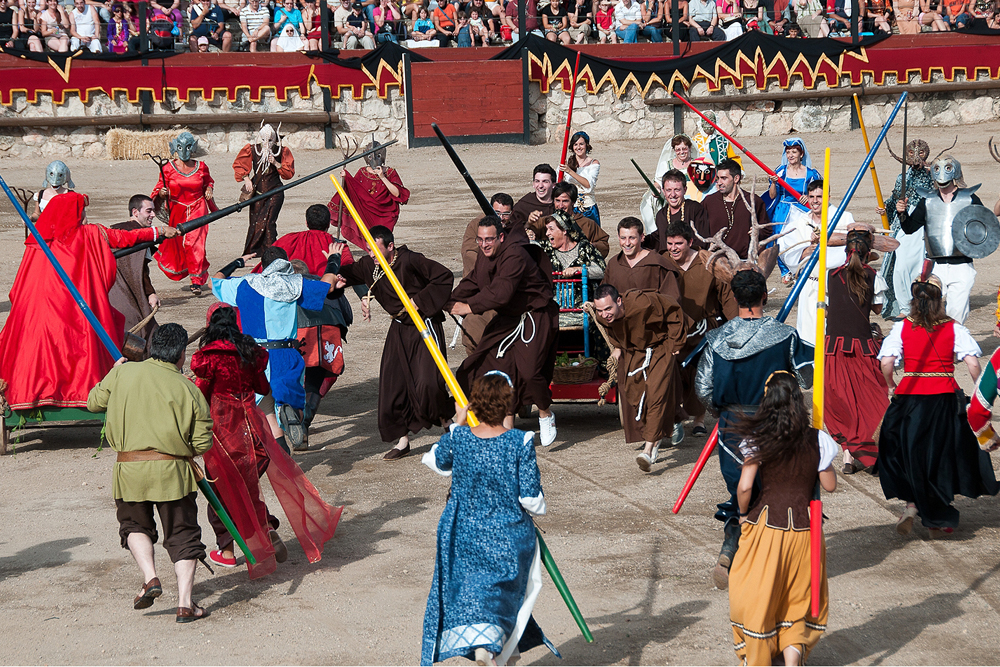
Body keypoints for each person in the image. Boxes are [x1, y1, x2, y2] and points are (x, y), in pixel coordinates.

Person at [420, 372, 560, 666]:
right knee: (505, 593)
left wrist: (458, 421)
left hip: (464, 533)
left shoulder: (459, 438)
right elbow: (531, 500)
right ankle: (497, 648)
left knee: (476, 593)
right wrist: (537, 508)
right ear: (507, 405)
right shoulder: (520, 441)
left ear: (475, 404)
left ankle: (496, 649)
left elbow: (434, 460)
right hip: (508, 533)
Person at [191, 305, 341, 569]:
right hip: (253, 432)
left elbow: (198, 395)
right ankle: (265, 526)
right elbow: (262, 387)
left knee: (221, 491)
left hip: (223, 434)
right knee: (247, 488)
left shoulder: (208, 358)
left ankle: (227, 550)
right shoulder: (251, 354)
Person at [0, 193, 174, 413]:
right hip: (74, 311)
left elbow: (20, 286)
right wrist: (158, 232)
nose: (84, 215)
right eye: (81, 211)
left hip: (38, 312)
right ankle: (82, 395)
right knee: (86, 340)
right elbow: (122, 237)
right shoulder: (89, 234)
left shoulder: (39, 242)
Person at [695, 269, 813, 589]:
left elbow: (704, 388)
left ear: (734, 298)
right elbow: (808, 380)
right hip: (776, 424)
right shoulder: (785, 337)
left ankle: (731, 549)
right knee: (775, 496)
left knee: (742, 494)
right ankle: (769, 566)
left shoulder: (717, 339)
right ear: (764, 296)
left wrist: (724, 411)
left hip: (731, 428)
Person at [86, 324, 212, 623]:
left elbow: (93, 403)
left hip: (129, 472)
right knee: (183, 535)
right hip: (174, 474)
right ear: (181, 355)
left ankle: (151, 577)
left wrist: (114, 371)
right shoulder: (188, 388)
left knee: (134, 525)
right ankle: (185, 604)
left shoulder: (122, 374)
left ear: (151, 347)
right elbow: (203, 442)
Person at [728, 371, 837, 666]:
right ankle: (792, 661)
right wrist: (818, 463)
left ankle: (759, 657)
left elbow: (745, 486)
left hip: (766, 526)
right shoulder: (818, 439)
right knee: (797, 598)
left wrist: (741, 514)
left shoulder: (758, 439)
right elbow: (829, 485)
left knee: (756, 594)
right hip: (806, 530)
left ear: (767, 400)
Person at [878, 275, 999, 537]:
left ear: (913, 300)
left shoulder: (902, 327)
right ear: (939, 299)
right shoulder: (953, 327)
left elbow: (886, 362)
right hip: (943, 399)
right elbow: (973, 364)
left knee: (905, 452)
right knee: (942, 455)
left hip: (908, 399)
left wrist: (891, 385)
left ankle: (911, 504)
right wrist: (979, 390)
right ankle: (937, 516)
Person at [336, 226, 455, 460]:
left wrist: (418, 301)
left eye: (376, 249)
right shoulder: (370, 264)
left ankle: (449, 423)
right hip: (399, 329)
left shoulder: (411, 260)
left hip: (425, 325)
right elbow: (348, 274)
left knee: (429, 384)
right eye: (368, 249)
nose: (371, 254)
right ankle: (403, 440)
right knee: (393, 385)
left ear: (390, 246)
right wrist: (337, 277)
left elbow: (443, 276)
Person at [211, 245, 342, 451]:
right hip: (285, 354)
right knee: (293, 404)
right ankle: (290, 412)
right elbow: (328, 285)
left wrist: (238, 262)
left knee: (267, 413)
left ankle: (284, 457)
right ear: (286, 264)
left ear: (262, 265)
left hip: (253, 357)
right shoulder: (293, 284)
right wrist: (334, 259)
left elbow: (216, 281)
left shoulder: (244, 284)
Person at [449, 216, 560, 446]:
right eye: (480, 240)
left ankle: (545, 412)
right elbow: (474, 282)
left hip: (536, 314)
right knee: (485, 364)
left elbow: (501, 293)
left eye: (489, 239)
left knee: (530, 371)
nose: (484, 244)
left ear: (500, 237)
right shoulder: (484, 254)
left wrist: (468, 307)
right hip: (509, 318)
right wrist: (447, 300)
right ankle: (502, 430)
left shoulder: (515, 255)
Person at [594, 284, 686, 471]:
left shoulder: (642, 303)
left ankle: (648, 450)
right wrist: (617, 350)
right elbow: (615, 334)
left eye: (608, 308)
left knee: (656, 395)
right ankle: (657, 436)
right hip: (635, 353)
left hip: (660, 348)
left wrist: (676, 342)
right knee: (635, 395)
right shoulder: (603, 317)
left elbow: (673, 309)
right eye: (600, 310)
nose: (604, 314)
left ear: (619, 301)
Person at [823, 226, 890, 475]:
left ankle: (848, 457)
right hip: (861, 348)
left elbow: (831, 308)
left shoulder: (831, 275)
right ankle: (863, 452)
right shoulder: (873, 276)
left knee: (841, 402)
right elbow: (878, 310)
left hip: (834, 348)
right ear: (868, 250)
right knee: (869, 401)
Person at [663, 222, 737, 436]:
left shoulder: (709, 262)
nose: (673, 248)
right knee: (674, 373)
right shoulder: (663, 262)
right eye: (670, 243)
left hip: (705, 328)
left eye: (679, 243)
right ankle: (675, 417)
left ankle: (699, 419)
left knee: (701, 373)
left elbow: (726, 296)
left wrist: (736, 326)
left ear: (691, 242)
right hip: (675, 330)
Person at [896, 155, 982, 324]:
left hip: (962, 264)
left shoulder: (970, 199)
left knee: (957, 313)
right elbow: (909, 228)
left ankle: (953, 346)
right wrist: (902, 213)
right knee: (929, 312)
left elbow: (983, 227)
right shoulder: (927, 200)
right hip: (935, 266)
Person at [151, 132, 217, 297]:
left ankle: (196, 280)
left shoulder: (201, 166)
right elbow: (159, 188)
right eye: (181, 147)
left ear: (193, 148)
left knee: (195, 243)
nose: (184, 150)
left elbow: (208, 180)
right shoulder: (167, 168)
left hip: (198, 207)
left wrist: (209, 188)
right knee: (178, 245)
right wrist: (161, 193)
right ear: (175, 147)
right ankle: (191, 271)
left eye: (188, 146)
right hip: (178, 209)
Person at [878, 139, 933, 319]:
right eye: (911, 154)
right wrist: (886, 208)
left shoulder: (933, 176)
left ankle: (919, 304)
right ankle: (904, 306)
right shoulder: (903, 177)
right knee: (901, 266)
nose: (916, 158)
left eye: (921, 153)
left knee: (919, 265)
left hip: (923, 225)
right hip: (904, 224)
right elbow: (895, 199)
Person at [328, 137, 409, 251]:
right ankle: (373, 257)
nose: (374, 159)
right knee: (369, 240)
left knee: (382, 240)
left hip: (385, 213)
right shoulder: (362, 172)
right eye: (371, 156)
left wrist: (382, 176)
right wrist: (346, 178)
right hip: (365, 211)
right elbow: (354, 190)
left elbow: (397, 194)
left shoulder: (390, 172)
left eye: (378, 156)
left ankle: (385, 258)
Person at [109, 195, 162, 358]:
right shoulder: (141, 235)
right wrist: (150, 293)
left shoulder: (113, 230)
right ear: (135, 212)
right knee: (146, 334)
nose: (153, 214)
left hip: (111, 295)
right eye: (149, 211)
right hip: (127, 295)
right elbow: (141, 271)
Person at [763, 138, 820, 284]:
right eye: (788, 152)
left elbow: (818, 192)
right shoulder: (780, 172)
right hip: (784, 210)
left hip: (802, 210)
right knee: (779, 239)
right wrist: (774, 183)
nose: (790, 155)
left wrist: (807, 198)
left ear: (801, 154)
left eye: (794, 152)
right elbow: (772, 195)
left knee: (804, 239)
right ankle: (785, 271)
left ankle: (802, 268)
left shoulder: (811, 174)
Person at [233, 123, 295, 257]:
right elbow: (239, 164)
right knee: (255, 221)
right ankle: (254, 251)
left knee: (269, 222)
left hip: (275, 192)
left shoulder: (282, 151)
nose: (267, 143)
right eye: (264, 140)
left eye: (270, 140)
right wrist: (246, 178)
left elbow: (288, 174)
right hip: (258, 192)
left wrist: (276, 163)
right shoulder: (252, 149)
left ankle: (271, 251)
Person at [697, 158, 770, 260]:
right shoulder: (709, 202)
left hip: (745, 262)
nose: (719, 183)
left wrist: (758, 233)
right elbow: (698, 227)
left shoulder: (753, 201)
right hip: (718, 261)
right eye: (718, 178)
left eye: (724, 178)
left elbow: (766, 230)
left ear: (736, 178)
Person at [604, 216, 682, 301]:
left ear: (642, 237)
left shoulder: (657, 264)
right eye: (623, 238)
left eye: (632, 238)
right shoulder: (613, 264)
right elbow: (604, 297)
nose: (627, 243)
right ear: (618, 237)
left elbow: (672, 300)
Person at [647, 169, 709, 253]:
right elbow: (659, 239)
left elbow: (702, 241)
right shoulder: (661, 215)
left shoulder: (694, 209)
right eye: (668, 190)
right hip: (667, 261)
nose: (673, 195)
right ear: (663, 191)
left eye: (677, 190)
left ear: (685, 190)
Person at [552, 182, 609, 257]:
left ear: (573, 202)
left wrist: (592, 246)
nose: (560, 205)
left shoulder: (587, 223)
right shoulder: (547, 222)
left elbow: (604, 245)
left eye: (565, 201)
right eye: (557, 200)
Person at [559, 132, 601, 227]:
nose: (578, 147)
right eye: (575, 144)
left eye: (581, 144)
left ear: (586, 145)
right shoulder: (567, 163)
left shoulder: (593, 164)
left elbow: (588, 185)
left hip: (588, 208)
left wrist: (569, 171)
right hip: (570, 207)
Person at [510, 163, 557, 241]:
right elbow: (513, 232)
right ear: (533, 184)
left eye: (545, 181)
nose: (540, 185)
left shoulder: (559, 203)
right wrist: (528, 224)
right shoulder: (523, 205)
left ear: (553, 185)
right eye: (537, 181)